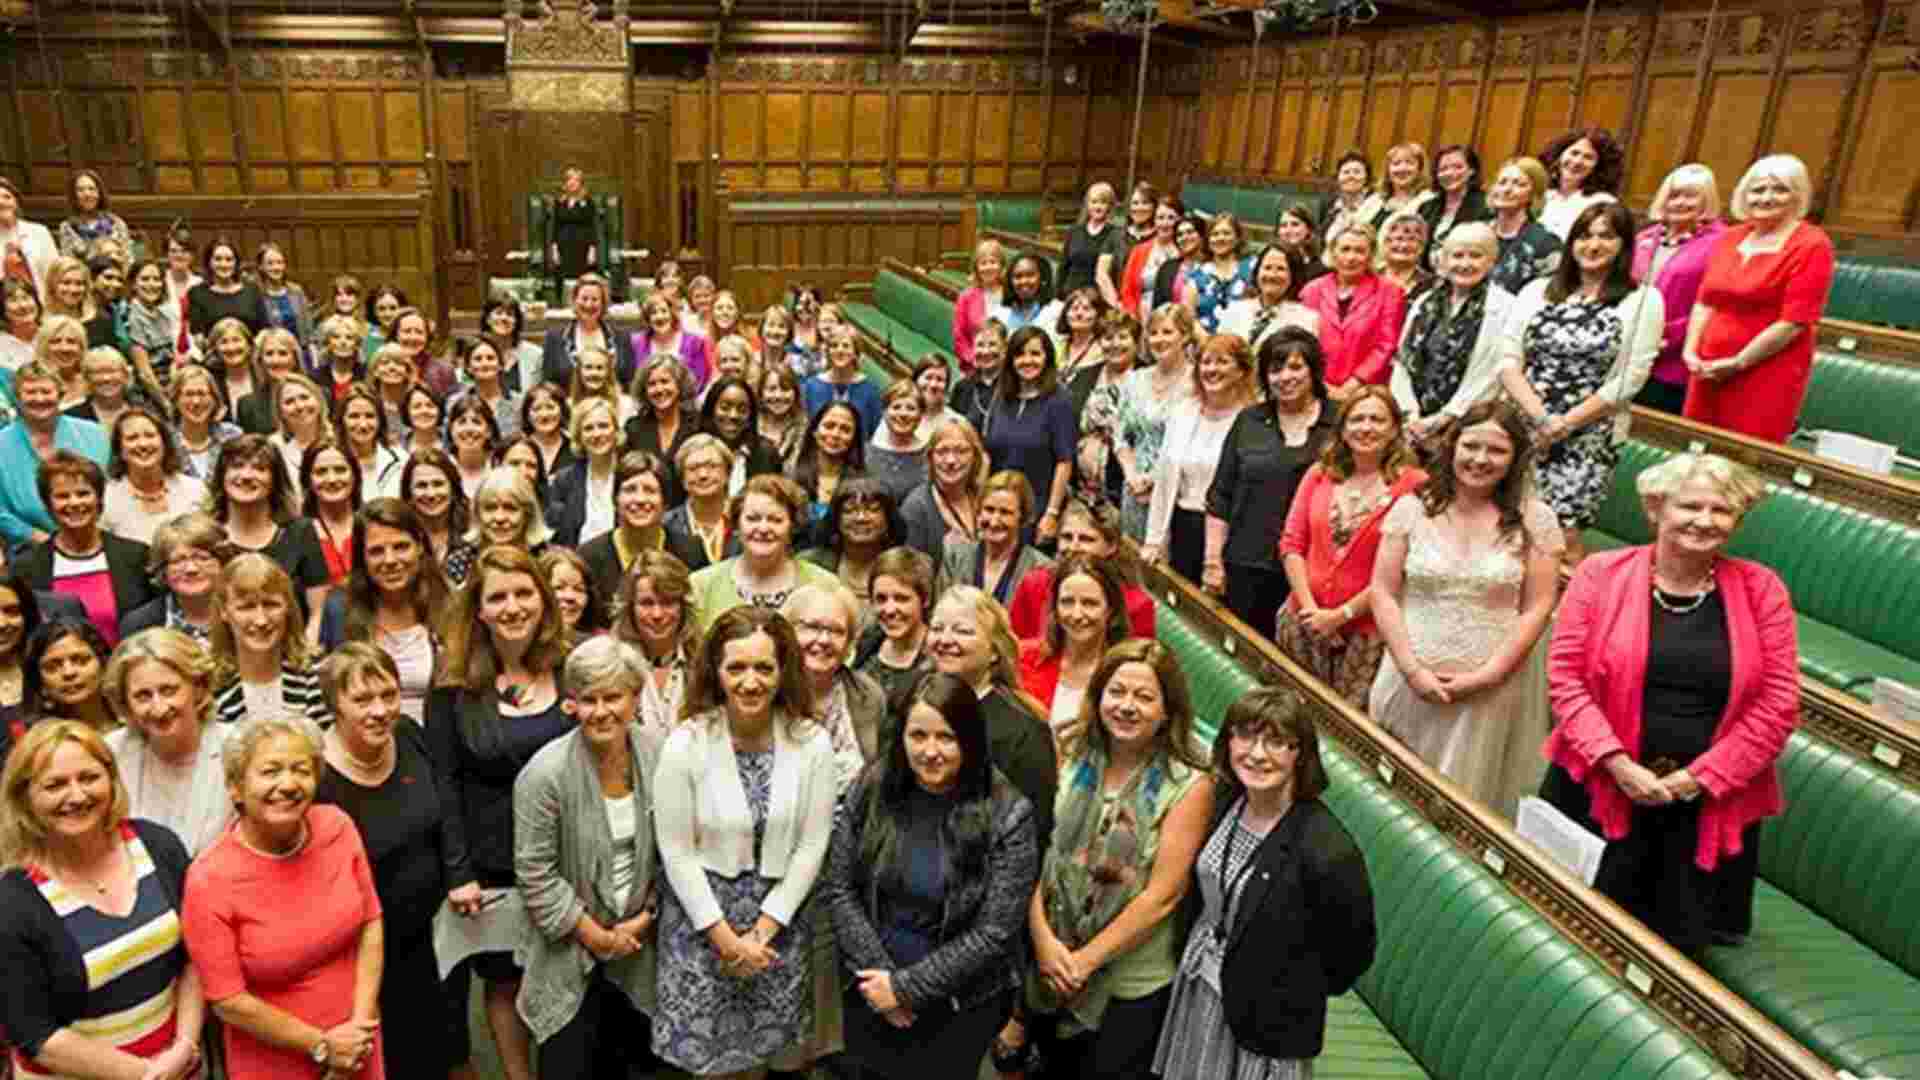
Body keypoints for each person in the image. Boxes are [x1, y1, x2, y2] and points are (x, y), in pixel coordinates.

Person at [1542, 453, 1794, 955]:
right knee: (1571, 942)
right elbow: (1565, 679)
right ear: (1656, 510)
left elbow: (1779, 703)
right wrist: (1616, 763)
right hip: (1597, 788)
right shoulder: (1599, 574)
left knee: (1676, 960)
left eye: (1721, 511)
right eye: (1691, 506)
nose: (1705, 520)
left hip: (1704, 804)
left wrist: (1696, 779)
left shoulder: (1762, 589)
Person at [825, 671, 1042, 1080]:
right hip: (869, 988)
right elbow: (839, 887)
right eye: (918, 736)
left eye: (946, 738)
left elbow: (995, 932)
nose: (930, 751)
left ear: (970, 741)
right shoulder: (872, 785)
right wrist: (883, 985)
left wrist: (907, 989)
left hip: (957, 1006)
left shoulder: (1009, 813)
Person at [652, 606, 839, 1076]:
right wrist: (725, 940)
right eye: (736, 667)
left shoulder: (812, 743)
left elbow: (812, 846)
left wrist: (760, 934)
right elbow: (675, 852)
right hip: (702, 929)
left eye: (764, 667)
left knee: (763, 1064)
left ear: (783, 672)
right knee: (709, 1068)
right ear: (715, 672)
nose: (750, 682)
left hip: (775, 929)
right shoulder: (686, 742)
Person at [1154, 687, 1375, 1080]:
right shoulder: (1223, 800)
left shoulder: (1327, 850)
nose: (1257, 753)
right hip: (1200, 989)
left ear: (1300, 754)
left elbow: (1350, 957)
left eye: (1276, 741)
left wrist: (1286, 985)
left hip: (1265, 1022)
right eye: (1246, 736)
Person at [1028, 638, 1213, 1080]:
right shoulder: (1068, 752)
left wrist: (1084, 962)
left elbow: (1163, 897)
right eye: (1117, 691)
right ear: (1098, 696)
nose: (1127, 706)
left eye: (1144, 697)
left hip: (1127, 986)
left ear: (1167, 710)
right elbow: (1035, 852)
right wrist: (1043, 942)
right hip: (1050, 964)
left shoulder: (1188, 783)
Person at [1368, 402, 1561, 814]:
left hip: (1487, 690)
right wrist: (1412, 669)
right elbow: (1383, 591)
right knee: (1389, 800)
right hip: (1408, 676)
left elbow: (1538, 606)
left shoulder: (1537, 520)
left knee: (1464, 808)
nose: (1480, 459)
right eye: (1471, 445)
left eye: (1496, 450)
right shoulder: (1412, 508)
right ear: (1452, 446)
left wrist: (1488, 676)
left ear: (1514, 459)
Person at [429, 545, 573, 1080]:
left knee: (566, 977)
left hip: (567, 863)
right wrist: (458, 872)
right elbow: (444, 782)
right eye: (498, 597)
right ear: (480, 610)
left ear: (543, 599)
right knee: (505, 981)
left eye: (523, 593)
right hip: (493, 865)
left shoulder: (572, 668)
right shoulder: (454, 684)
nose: (512, 607)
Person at [0, 720, 208, 1080]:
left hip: (177, 1065)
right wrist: (147, 1075)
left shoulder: (159, 846)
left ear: (111, 779)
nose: (77, 795)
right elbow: (36, 1036)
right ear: (25, 798)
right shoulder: (12, 901)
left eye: (89, 777)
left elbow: (194, 958)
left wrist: (186, 1045)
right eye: (55, 785)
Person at [181, 719, 386, 1080]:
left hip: (357, 1042)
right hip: (276, 1059)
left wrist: (360, 1024)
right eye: (270, 771)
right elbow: (227, 1001)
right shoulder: (209, 879)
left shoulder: (337, 827)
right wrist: (322, 1045)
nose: (288, 784)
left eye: (301, 770)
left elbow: (371, 922)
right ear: (236, 788)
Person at [512, 635, 662, 1079]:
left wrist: (648, 914)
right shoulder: (545, 774)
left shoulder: (658, 754)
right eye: (588, 699)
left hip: (640, 947)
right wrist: (598, 937)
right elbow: (535, 874)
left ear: (635, 699)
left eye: (613, 697)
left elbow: (674, 849)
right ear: (571, 704)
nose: (601, 712)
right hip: (568, 952)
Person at [312, 642, 453, 1080]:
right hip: (360, 957)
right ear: (334, 703)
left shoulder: (409, 734)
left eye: (388, 695)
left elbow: (443, 810)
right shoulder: (317, 773)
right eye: (362, 699)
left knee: (434, 1056)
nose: (379, 710)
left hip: (430, 942)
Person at [1498, 201, 1663, 571]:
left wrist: (1565, 425)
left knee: (1562, 535)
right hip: (1527, 423)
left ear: (1623, 245)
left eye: (1607, 236)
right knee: (1510, 521)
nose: (1594, 244)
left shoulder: (1643, 299)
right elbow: (1508, 361)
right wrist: (1542, 419)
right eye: (1585, 235)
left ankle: (1563, 618)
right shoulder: (1538, 290)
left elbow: (1630, 379)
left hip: (1589, 435)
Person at [1277, 388, 1427, 706]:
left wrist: (1340, 616)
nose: (1366, 427)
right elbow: (1292, 544)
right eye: (1357, 419)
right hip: (1303, 621)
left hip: (1366, 634)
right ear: (1343, 429)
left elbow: (1403, 570)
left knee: (1348, 733)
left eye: (1377, 419)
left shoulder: (1415, 485)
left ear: (1395, 429)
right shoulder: (1320, 474)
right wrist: (1312, 612)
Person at [1681, 154, 1836, 443]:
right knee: (1696, 450)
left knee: (1740, 460)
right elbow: (1705, 301)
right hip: (1707, 367)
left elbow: (1793, 322)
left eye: (1780, 189)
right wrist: (1691, 352)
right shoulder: (1731, 237)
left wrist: (1739, 362)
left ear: (1798, 196)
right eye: (1758, 189)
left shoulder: (1813, 244)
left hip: (1765, 371)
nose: (1766, 198)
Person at [1203, 328, 1337, 635]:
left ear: (1313, 371)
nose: (1285, 377)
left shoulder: (1339, 421)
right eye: (1275, 369)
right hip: (1246, 564)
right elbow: (1220, 495)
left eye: (1295, 367)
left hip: (1313, 572)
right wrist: (1212, 561)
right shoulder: (1249, 420)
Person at [926, 584, 1057, 850]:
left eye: (962, 631)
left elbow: (1033, 833)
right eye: (937, 628)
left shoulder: (1024, 729)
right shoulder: (914, 704)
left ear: (995, 651)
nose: (945, 639)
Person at [100, 627, 233, 855]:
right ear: (125, 703)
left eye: (169, 690)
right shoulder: (110, 753)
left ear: (199, 688)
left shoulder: (236, 748)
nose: (159, 708)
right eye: (143, 696)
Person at [317, 499, 447, 726]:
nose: (390, 560)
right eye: (376, 551)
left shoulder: (448, 604)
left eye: (401, 547)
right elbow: (332, 696)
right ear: (362, 559)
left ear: (420, 547)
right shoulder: (340, 610)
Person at [1144, 334, 1260, 585]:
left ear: (1241, 370)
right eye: (1206, 362)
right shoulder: (1183, 411)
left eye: (1222, 362)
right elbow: (1164, 480)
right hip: (1181, 526)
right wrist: (1153, 539)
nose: (1211, 369)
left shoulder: (1254, 420)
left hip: (1227, 536)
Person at [1389, 222, 1518, 446]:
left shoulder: (1505, 307)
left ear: (1491, 261)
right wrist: (1411, 415)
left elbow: (1492, 374)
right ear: (1445, 260)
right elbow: (1403, 362)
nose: (1465, 264)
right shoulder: (1425, 302)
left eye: (1476, 256)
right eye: (1457, 255)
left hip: (1466, 425)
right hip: (1413, 426)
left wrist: (1444, 418)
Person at [20, 450, 156, 646]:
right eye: (62, 496)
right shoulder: (28, 567)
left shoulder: (136, 556)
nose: (74, 503)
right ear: (48, 505)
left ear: (99, 499)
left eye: (83, 493)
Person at [208, 434, 331, 638]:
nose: (246, 475)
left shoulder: (300, 532)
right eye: (237, 466)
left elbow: (318, 614)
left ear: (275, 480)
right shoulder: (208, 536)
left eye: (259, 468)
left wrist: (304, 656)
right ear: (222, 476)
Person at [1091, 304, 1196, 540]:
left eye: (1167, 332)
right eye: (1154, 333)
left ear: (1186, 336)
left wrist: (1156, 479)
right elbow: (1121, 436)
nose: (1159, 339)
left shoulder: (1197, 381)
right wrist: (1132, 475)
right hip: (1136, 492)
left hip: (1177, 493)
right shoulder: (1135, 380)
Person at [1630, 165, 1727, 415]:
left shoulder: (1721, 243)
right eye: (1674, 195)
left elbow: (1712, 302)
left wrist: (1662, 339)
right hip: (1629, 350)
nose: (1680, 202)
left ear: (1707, 201)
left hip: (1672, 362)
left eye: (1690, 195)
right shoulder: (1644, 238)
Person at [688, 474, 839, 633]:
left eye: (775, 520)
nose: (763, 528)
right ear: (737, 525)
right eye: (753, 519)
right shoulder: (701, 586)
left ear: (793, 526)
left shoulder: (824, 584)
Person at [207, 553, 331, 734]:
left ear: (288, 607)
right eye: (246, 607)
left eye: (271, 604)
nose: (261, 620)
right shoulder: (208, 684)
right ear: (224, 612)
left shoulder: (319, 675)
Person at [1018, 556, 1134, 739]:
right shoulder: (1022, 658)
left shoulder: (1127, 671)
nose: (1077, 614)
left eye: (1089, 603)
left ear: (1110, 610)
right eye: (1067, 602)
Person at [1008, 497, 1154, 641]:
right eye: (1066, 537)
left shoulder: (1137, 605)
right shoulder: (1034, 584)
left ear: (1111, 546)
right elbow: (1012, 648)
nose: (1073, 547)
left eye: (1086, 539)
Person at [0, 360, 108, 548]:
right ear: (17, 397)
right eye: (31, 392)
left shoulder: (95, 434)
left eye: (46, 391)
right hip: (30, 549)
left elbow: (113, 487)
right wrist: (38, 538)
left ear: (60, 394)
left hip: (98, 539)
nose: (40, 399)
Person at [983, 327, 1075, 544]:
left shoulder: (1059, 401)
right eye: (1020, 354)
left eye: (1035, 354)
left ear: (1047, 358)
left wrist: (1051, 514)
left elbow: (1065, 461)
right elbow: (988, 453)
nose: (1027, 360)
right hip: (998, 508)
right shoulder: (1002, 395)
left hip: (1036, 511)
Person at [1299, 221, 1407, 401]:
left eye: (1359, 251)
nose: (1351, 257)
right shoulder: (1312, 290)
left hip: (1366, 392)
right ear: (1333, 252)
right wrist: (1320, 384)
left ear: (1371, 255)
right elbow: (1301, 341)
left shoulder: (1390, 292)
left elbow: (1386, 346)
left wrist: (1352, 385)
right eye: (1345, 249)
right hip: (1315, 388)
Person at [611, 548, 699, 752]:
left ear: (684, 606)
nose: (657, 614)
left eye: (668, 602)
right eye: (646, 603)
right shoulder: (612, 665)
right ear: (629, 608)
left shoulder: (704, 664)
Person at [940, 470, 1051, 608]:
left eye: (1005, 512)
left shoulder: (1040, 568)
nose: (994, 522)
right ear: (978, 511)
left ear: (1022, 517)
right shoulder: (955, 557)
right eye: (989, 509)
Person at [100, 406, 206, 545]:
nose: (143, 444)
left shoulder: (195, 490)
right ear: (120, 450)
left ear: (164, 443)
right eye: (132, 438)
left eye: (150, 435)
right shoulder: (107, 499)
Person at [580, 451, 679, 597]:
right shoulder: (588, 557)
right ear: (615, 500)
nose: (639, 499)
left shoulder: (690, 551)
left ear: (665, 502)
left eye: (650, 490)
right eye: (630, 490)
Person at [852, 545, 936, 715]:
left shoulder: (938, 655)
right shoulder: (868, 642)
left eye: (901, 598)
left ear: (925, 599)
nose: (889, 610)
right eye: (881, 599)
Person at [801, 477, 907, 610]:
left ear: (889, 519)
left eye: (872, 509)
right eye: (849, 510)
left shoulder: (907, 566)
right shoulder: (810, 564)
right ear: (836, 519)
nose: (861, 518)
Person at [117, 513, 224, 643]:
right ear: (162, 570)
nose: (191, 569)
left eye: (202, 558)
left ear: (222, 562)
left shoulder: (243, 612)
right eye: (178, 561)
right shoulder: (138, 625)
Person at [901, 414, 987, 561]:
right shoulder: (917, 507)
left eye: (961, 451)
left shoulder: (985, 497)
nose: (951, 460)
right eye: (942, 451)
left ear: (975, 456)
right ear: (930, 457)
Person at [547, 396, 623, 549]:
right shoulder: (564, 480)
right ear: (579, 436)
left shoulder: (630, 474)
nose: (596, 434)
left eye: (603, 426)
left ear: (615, 431)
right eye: (588, 428)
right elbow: (557, 536)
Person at [1213, 244, 1318, 354]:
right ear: (1257, 272)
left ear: (1293, 275)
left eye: (1281, 269)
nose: (1272, 275)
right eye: (1267, 267)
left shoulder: (1307, 320)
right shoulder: (1234, 310)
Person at [541, 275, 637, 389]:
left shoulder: (621, 338)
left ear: (603, 304)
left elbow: (629, 380)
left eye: (595, 299)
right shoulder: (554, 338)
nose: (589, 305)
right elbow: (548, 384)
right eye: (584, 298)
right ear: (574, 301)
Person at [792, 400, 868, 544]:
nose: (835, 434)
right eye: (829, 426)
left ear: (854, 438)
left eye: (845, 429)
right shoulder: (791, 476)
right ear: (814, 431)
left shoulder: (864, 483)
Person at [21, 617, 115, 733]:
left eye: (81, 660)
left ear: (104, 664)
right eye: (52, 667)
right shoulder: (37, 745)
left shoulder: (136, 718)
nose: (68, 673)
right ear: (40, 684)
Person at [402, 447, 479, 587]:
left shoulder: (473, 531)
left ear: (453, 488)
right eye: (421, 486)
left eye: (438, 484)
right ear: (409, 494)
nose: (431, 494)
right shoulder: (400, 534)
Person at [1486, 156, 1564, 295]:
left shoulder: (1545, 243)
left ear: (1533, 195)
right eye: (1502, 182)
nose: (1507, 189)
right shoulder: (1474, 232)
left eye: (1518, 184)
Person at [1538, 128, 1624, 241]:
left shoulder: (1603, 203)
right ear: (1560, 155)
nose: (1577, 161)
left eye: (1588, 157)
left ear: (1598, 167)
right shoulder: (1542, 193)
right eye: (1574, 153)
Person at [702, 373, 781, 495]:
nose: (733, 415)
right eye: (724, 407)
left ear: (750, 417)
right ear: (711, 411)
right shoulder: (694, 451)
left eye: (742, 410)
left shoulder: (766, 454)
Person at [802, 324, 883, 442]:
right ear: (827, 351)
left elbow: (874, 432)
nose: (840, 350)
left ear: (856, 352)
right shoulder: (811, 386)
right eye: (834, 346)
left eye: (846, 346)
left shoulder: (871, 390)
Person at [1420, 144, 1493, 267]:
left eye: (1457, 167)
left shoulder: (1486, 205)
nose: (1450, 173)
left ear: (1471, 170)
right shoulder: (1427, 207)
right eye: (1443, 169)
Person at [1182, 214, 1255, 335]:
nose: (1220, 238)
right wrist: (1208, 343)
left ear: (1237, 238)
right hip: (1206, 346)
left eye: (1226, 233)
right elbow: (1189, 318)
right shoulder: (1195, 276)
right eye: (1215, 234)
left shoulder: (1252, 268)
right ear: (1208, 240)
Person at [185, 237, 268, 340]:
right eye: (218, 259)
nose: (224, 264)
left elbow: (264, 330)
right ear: (209, 262)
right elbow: (197, 336)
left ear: (236, 263)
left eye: (229, 259)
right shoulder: (197, 293)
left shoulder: (252, 291)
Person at [169, 362, 242, 480]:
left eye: (202, 394)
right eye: (189, 394)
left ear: (214, 399)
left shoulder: (232, 436)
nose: (196, 401)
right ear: (176, 400)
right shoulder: (165, 442)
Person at [1060, 182, 1128, 308]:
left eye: (1103, 202)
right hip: (1070, 295)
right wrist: (1058, 298)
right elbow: (1064, 267)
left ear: (1110, 206)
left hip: (1098, 299)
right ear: (1087, 204)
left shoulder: (1115, 234)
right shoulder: (1074, 231)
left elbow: (1116, 270)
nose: (1098, 207)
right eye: (1094, 202)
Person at [335, 382, 406, 500]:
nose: (363, 424)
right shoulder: (330, 461)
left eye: (370, 416)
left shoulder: (400, 459)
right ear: (342, 420)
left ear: (380, 420)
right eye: (354, 416)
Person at [632, 291, 712, 396]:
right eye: (653, 313)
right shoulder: (637, 343)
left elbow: (700, 381)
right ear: (648, 318)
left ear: (672, 314)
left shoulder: (695, 343)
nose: (659, 317)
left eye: (664, 311)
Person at [1120, 195, 1186, 320]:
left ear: (1179, 220)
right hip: (1140, 320)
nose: (1165, 223)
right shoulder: (1139, 251)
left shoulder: (1184, 253)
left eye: (1171, 218)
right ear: (1154, 220)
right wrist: (1133, 317)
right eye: (1160, 218)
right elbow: (1126, 290)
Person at [867, 378, 929, 503]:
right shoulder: (865, 454)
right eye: (896, 407)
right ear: (884, 412)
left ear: (921, 415)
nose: (903, 414)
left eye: (911, 408)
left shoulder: (930, 454)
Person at [0, 176, 59, 304]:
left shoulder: (39, 232)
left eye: (7, 197)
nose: (2, 202)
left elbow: (55, 273)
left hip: (44, 305)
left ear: (16, 202)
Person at [470, 464, 552, 555]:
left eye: (510, 508)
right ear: (477, 514)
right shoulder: (461, 561)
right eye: (490, 508)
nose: (499, 518)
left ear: (528, 513)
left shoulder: (548, 561)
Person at [953, 239, 1007, 374]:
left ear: (1001, 266)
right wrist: (974, 359)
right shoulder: (966, 296)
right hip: (974, 367)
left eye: (993, 262)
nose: (988, 267)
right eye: (983, 263)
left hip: (1006, 368)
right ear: (976, 268)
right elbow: (959, 335)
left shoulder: (1011, 295)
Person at [254, 243, 314, 355]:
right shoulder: (256, 295)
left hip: (300, 352)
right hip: (273, 355)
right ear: (261, 266)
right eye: (270, 263)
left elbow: (308, 324)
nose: (276, 267)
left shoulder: (296, 291)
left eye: (279, 263)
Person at [549, 165, 600, 287]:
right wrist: (554, 250)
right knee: (562, 278)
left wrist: (592, 250)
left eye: (575, 180)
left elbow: (592, 227)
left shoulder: (588, 202)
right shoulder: (559, 202)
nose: (572, 183)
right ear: (565, 183)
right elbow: (555, 227)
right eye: (569, 180)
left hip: (582, 246)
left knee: (582, 281)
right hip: (564, 246)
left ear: (581, 184)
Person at [1316, 152, 1374, 260]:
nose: (1351, 176)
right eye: (1346, 172)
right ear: (1338, 177)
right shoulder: (1330, 204)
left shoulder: (1375, 205)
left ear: (1366, 177)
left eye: (1357, 172)